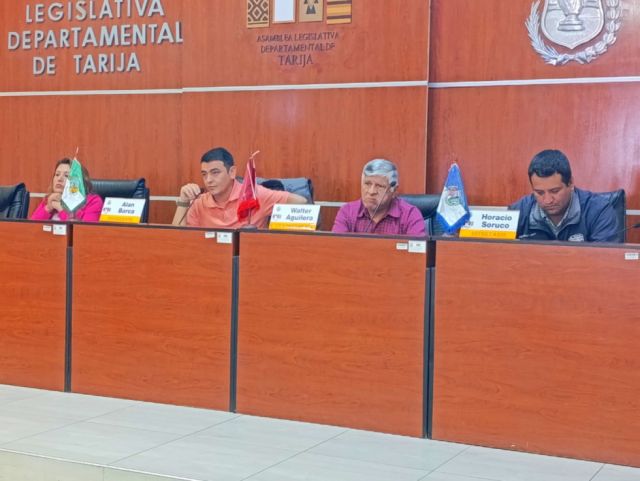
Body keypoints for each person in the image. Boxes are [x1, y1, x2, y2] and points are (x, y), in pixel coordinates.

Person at [173, 147, 307, 228]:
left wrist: (274, 227)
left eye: (215, 173)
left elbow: (301, 202)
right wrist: (184, 201)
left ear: (232, 172)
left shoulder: (254, 195)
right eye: (204, 174)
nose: (208, 180)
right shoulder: (199, 203)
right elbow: (177, 240)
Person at [509, 149, 620, 242]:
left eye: (555, 191)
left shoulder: (599, 211)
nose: (547, 200)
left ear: (570, 183)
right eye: (540, 193)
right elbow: (501, 253)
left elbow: (605, 259)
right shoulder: (517, 212)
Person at [332, 158, 425, 235]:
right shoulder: (347, 212)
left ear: (394, 191)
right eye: (367, 184)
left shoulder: (410, 215)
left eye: (380, 186)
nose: (371, 191)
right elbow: (336, 248)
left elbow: (417, 251)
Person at [31, 158, 103, 222]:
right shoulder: (49, 199)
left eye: (66, 175)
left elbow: (84, 230)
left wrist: (61, 208)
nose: (59, 179)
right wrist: (48, 208)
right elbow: (31, 228)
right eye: (57, 174)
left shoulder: (93, 202)